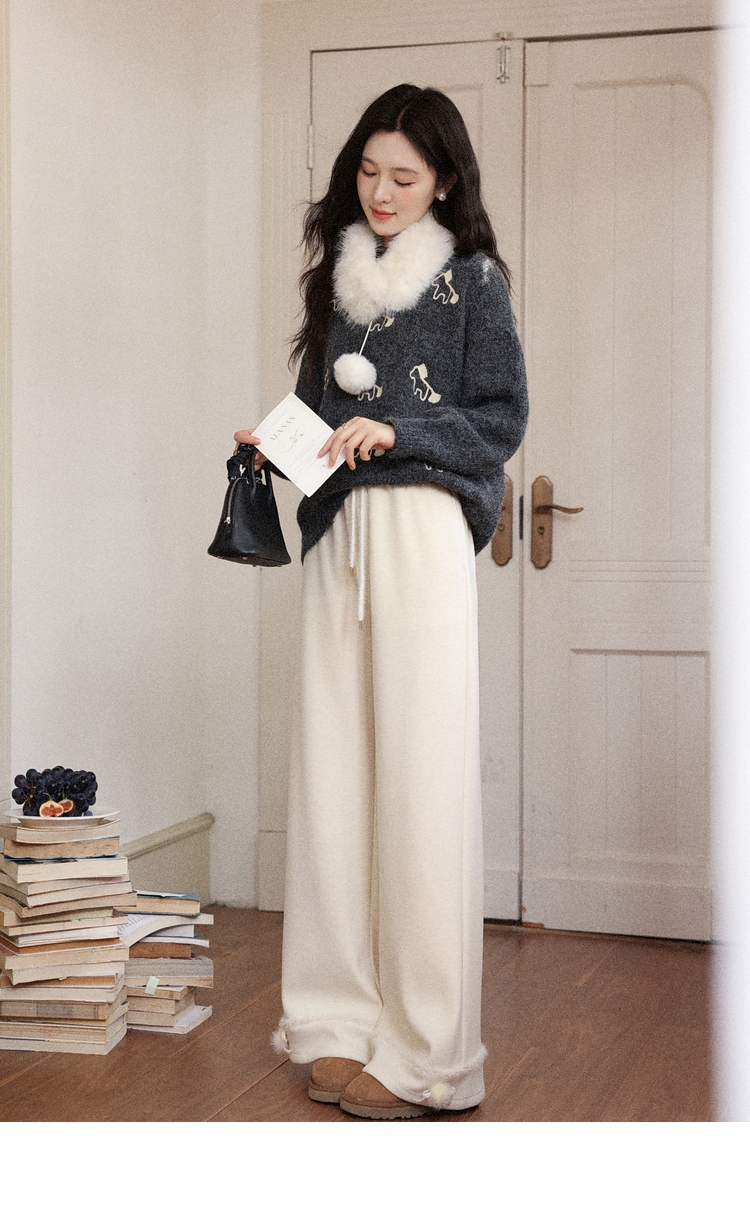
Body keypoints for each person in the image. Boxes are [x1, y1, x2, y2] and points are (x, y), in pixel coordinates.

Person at [235, 83, 528, 1120]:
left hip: (419, 531)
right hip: (337, 537)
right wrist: (276, 442)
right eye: (368, 170)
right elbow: (325, 417)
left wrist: (400, 430)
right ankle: (334, 1019)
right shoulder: (343, 275)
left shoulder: (473, 280)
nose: (382, 191)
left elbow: (500, 419)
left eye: (404, 175)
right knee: (331, 777)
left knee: (420, 779)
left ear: (443, 180)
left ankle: (430, 1055)